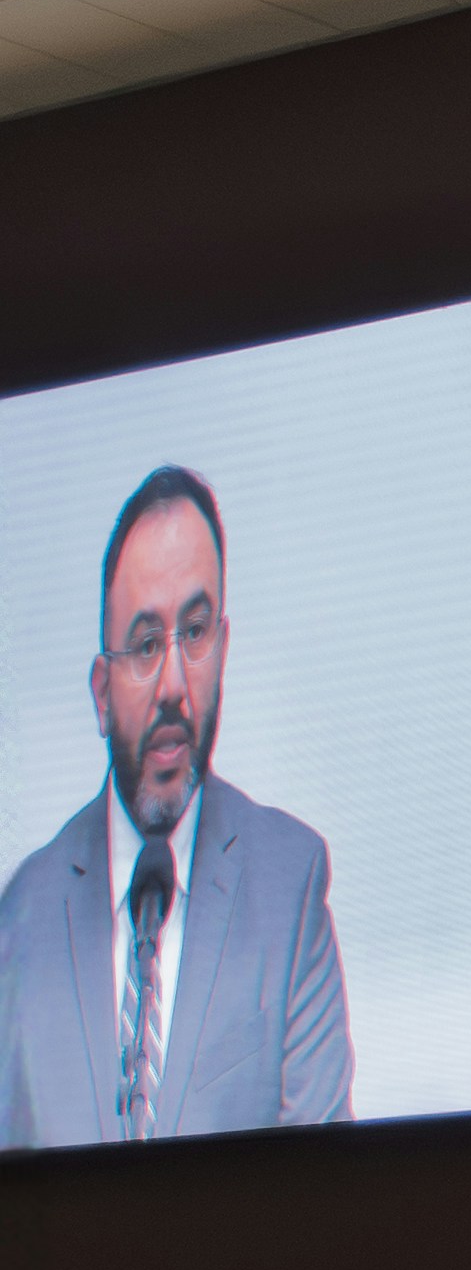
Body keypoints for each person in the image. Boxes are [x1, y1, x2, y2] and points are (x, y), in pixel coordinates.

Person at [0, 466, 351, 1146]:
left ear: (224, 648)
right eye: (144, 644)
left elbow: (325, 1192)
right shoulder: (20, 918)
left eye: (194, 632)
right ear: (101, 692)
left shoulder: (292, 885)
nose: (172, 684)